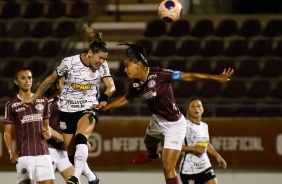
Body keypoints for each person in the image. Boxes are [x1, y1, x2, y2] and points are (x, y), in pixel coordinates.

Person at [102, 42, 233, 184]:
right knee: (149, 142)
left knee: (168, 168)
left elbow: (189, 76)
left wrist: (216, 78)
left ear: (138, 65)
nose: (125, 69)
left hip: (174, 125)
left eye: (127, 65)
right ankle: (153, 155)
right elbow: (128, 98)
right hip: (157, 120)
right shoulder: (136, 83)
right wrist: (109, 106)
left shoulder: (160, 74)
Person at [22, 24, 116, 184]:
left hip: (89, 108)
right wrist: (34, 96)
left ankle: (75, 177)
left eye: (104, 59)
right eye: (100, 58)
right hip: (68, 110)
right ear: (90, 53)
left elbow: (111, 86)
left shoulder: (102, 66)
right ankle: (92, 177)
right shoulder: (70, 62)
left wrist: (104, 98)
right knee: (72, 154)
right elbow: (51, 78)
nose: (102, 62)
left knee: (81, 137)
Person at [3, 68, 55, 184]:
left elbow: (47, 126)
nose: (27, 81)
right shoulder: (11, 105)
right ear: (16, 82)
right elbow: (7, 133)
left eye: (29, 77)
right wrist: (11, 151)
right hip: (24, 155)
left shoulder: (43, 101)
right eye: (23, 78)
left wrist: (48, 132)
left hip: (43, 153)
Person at [44, 76, 99, 183]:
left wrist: (81, 138)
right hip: (49, 150)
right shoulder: (52, 104)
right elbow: (41, 124)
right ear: (57, 85)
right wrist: (62, 137)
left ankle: (91, 176)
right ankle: (91, 176)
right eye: (64, 84)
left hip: (65, 151)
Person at [179, 98, 227, 184]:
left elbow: (206, 143)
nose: (196, 108)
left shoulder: (205, 126)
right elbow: (175, 146)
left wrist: (217, 156)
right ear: (188, 111)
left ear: (202, 110)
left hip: (205, 166)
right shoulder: (183, 126)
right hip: (189, 170)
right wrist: (194, 148)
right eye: (193, 107)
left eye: (198, 106)